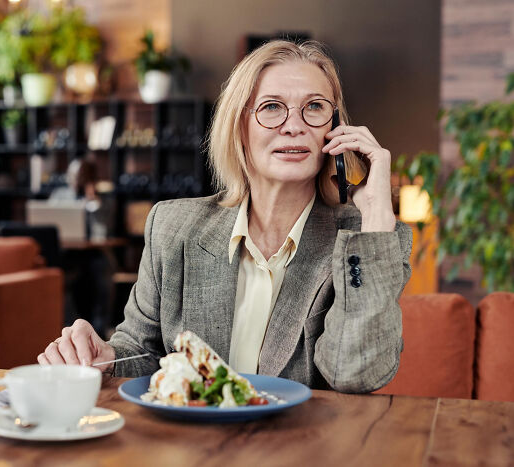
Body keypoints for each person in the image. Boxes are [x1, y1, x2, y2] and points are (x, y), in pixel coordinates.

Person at [37, 40, 412, 393]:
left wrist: (377, 212)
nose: (294, 125)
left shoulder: (363, 242)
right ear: (240, 128)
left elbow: (355, 376)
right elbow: (142, 352)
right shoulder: (173, 227)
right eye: (271, 107)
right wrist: (107, 358)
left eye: (314, 107)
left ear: (334, 129)